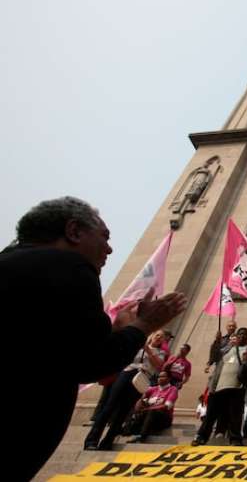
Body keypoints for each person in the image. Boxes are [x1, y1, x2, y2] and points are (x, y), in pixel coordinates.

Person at [1, 197, 186, 481]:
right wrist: (143, 325)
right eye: (104, 237)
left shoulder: (12, 262)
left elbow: (51, 345)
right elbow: (92, 362)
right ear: (74, 232)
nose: (110, 248)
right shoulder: (69, 267)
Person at [84, 330, 169, 450]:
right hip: (127, 374)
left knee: (123, 412)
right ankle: (91, 440)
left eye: (162, 337)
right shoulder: (137, 347)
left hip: (142, 378)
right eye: (157, 335)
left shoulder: (161, 353)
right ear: (152, 336)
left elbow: (159, 366)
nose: (159, 338)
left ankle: (108, 442)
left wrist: (149, 351)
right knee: (109, 407)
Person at [192, 327, 247, 446]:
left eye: (245, 334)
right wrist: (217, 341)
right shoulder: (227, 348)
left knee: (235, 414)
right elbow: (214, 357)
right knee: (211, 414)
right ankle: (201, 437)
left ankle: (235, 439)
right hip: (219, 386)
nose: (242, 336)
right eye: (240, 334)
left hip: (237, 386)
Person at [125, 370, 178, 444]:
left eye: (162, 376)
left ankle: (142, 436)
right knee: (135, 411)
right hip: (149, 416)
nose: (159, 378)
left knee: (151, 412)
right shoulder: (152, 389)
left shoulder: (173, 389)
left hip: (165, 418)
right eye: (159, 376)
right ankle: (128, 431)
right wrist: (141, 400)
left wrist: (148, 408)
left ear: (169, 379)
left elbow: (167, 406)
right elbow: (139, 404)